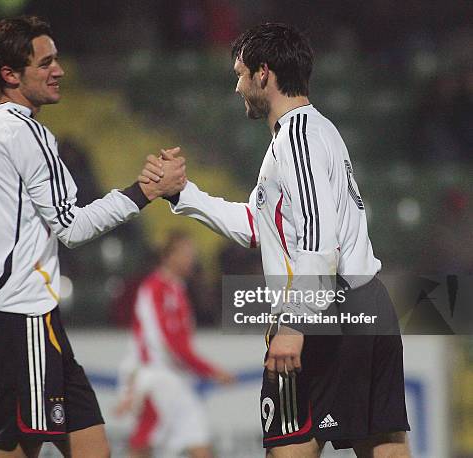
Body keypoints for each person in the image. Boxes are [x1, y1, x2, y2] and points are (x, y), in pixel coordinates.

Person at [141, 23, 411, 458]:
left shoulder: (297, 139)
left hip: (323, 312)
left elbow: (320, 240)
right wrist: (183, 196)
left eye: (241, 73)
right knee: (384, 447)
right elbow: (259, 227)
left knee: (289, 449)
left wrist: (293, 324)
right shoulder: (316, 132)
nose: (237, 87)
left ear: (263, 74)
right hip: (366, 303)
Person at [0, 16, 185, 458]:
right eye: (45, 63)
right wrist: (147, 191)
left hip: (23, 318)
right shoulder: (29, 133)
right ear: (10, 74)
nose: (59, 70)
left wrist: (0, 233)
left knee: (92, 447)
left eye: (57, 60)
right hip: (21, 317)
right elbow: (74, 228)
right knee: (14, 451)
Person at [116, 231, 234, 458]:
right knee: (148, 444)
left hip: (172, 378)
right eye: (186, 253)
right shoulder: (156, 289)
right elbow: (168, 342)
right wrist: (210, 370)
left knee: (146, 443)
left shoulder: (175, 288)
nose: (191, 259)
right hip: (161, 379)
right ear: (168, 256)